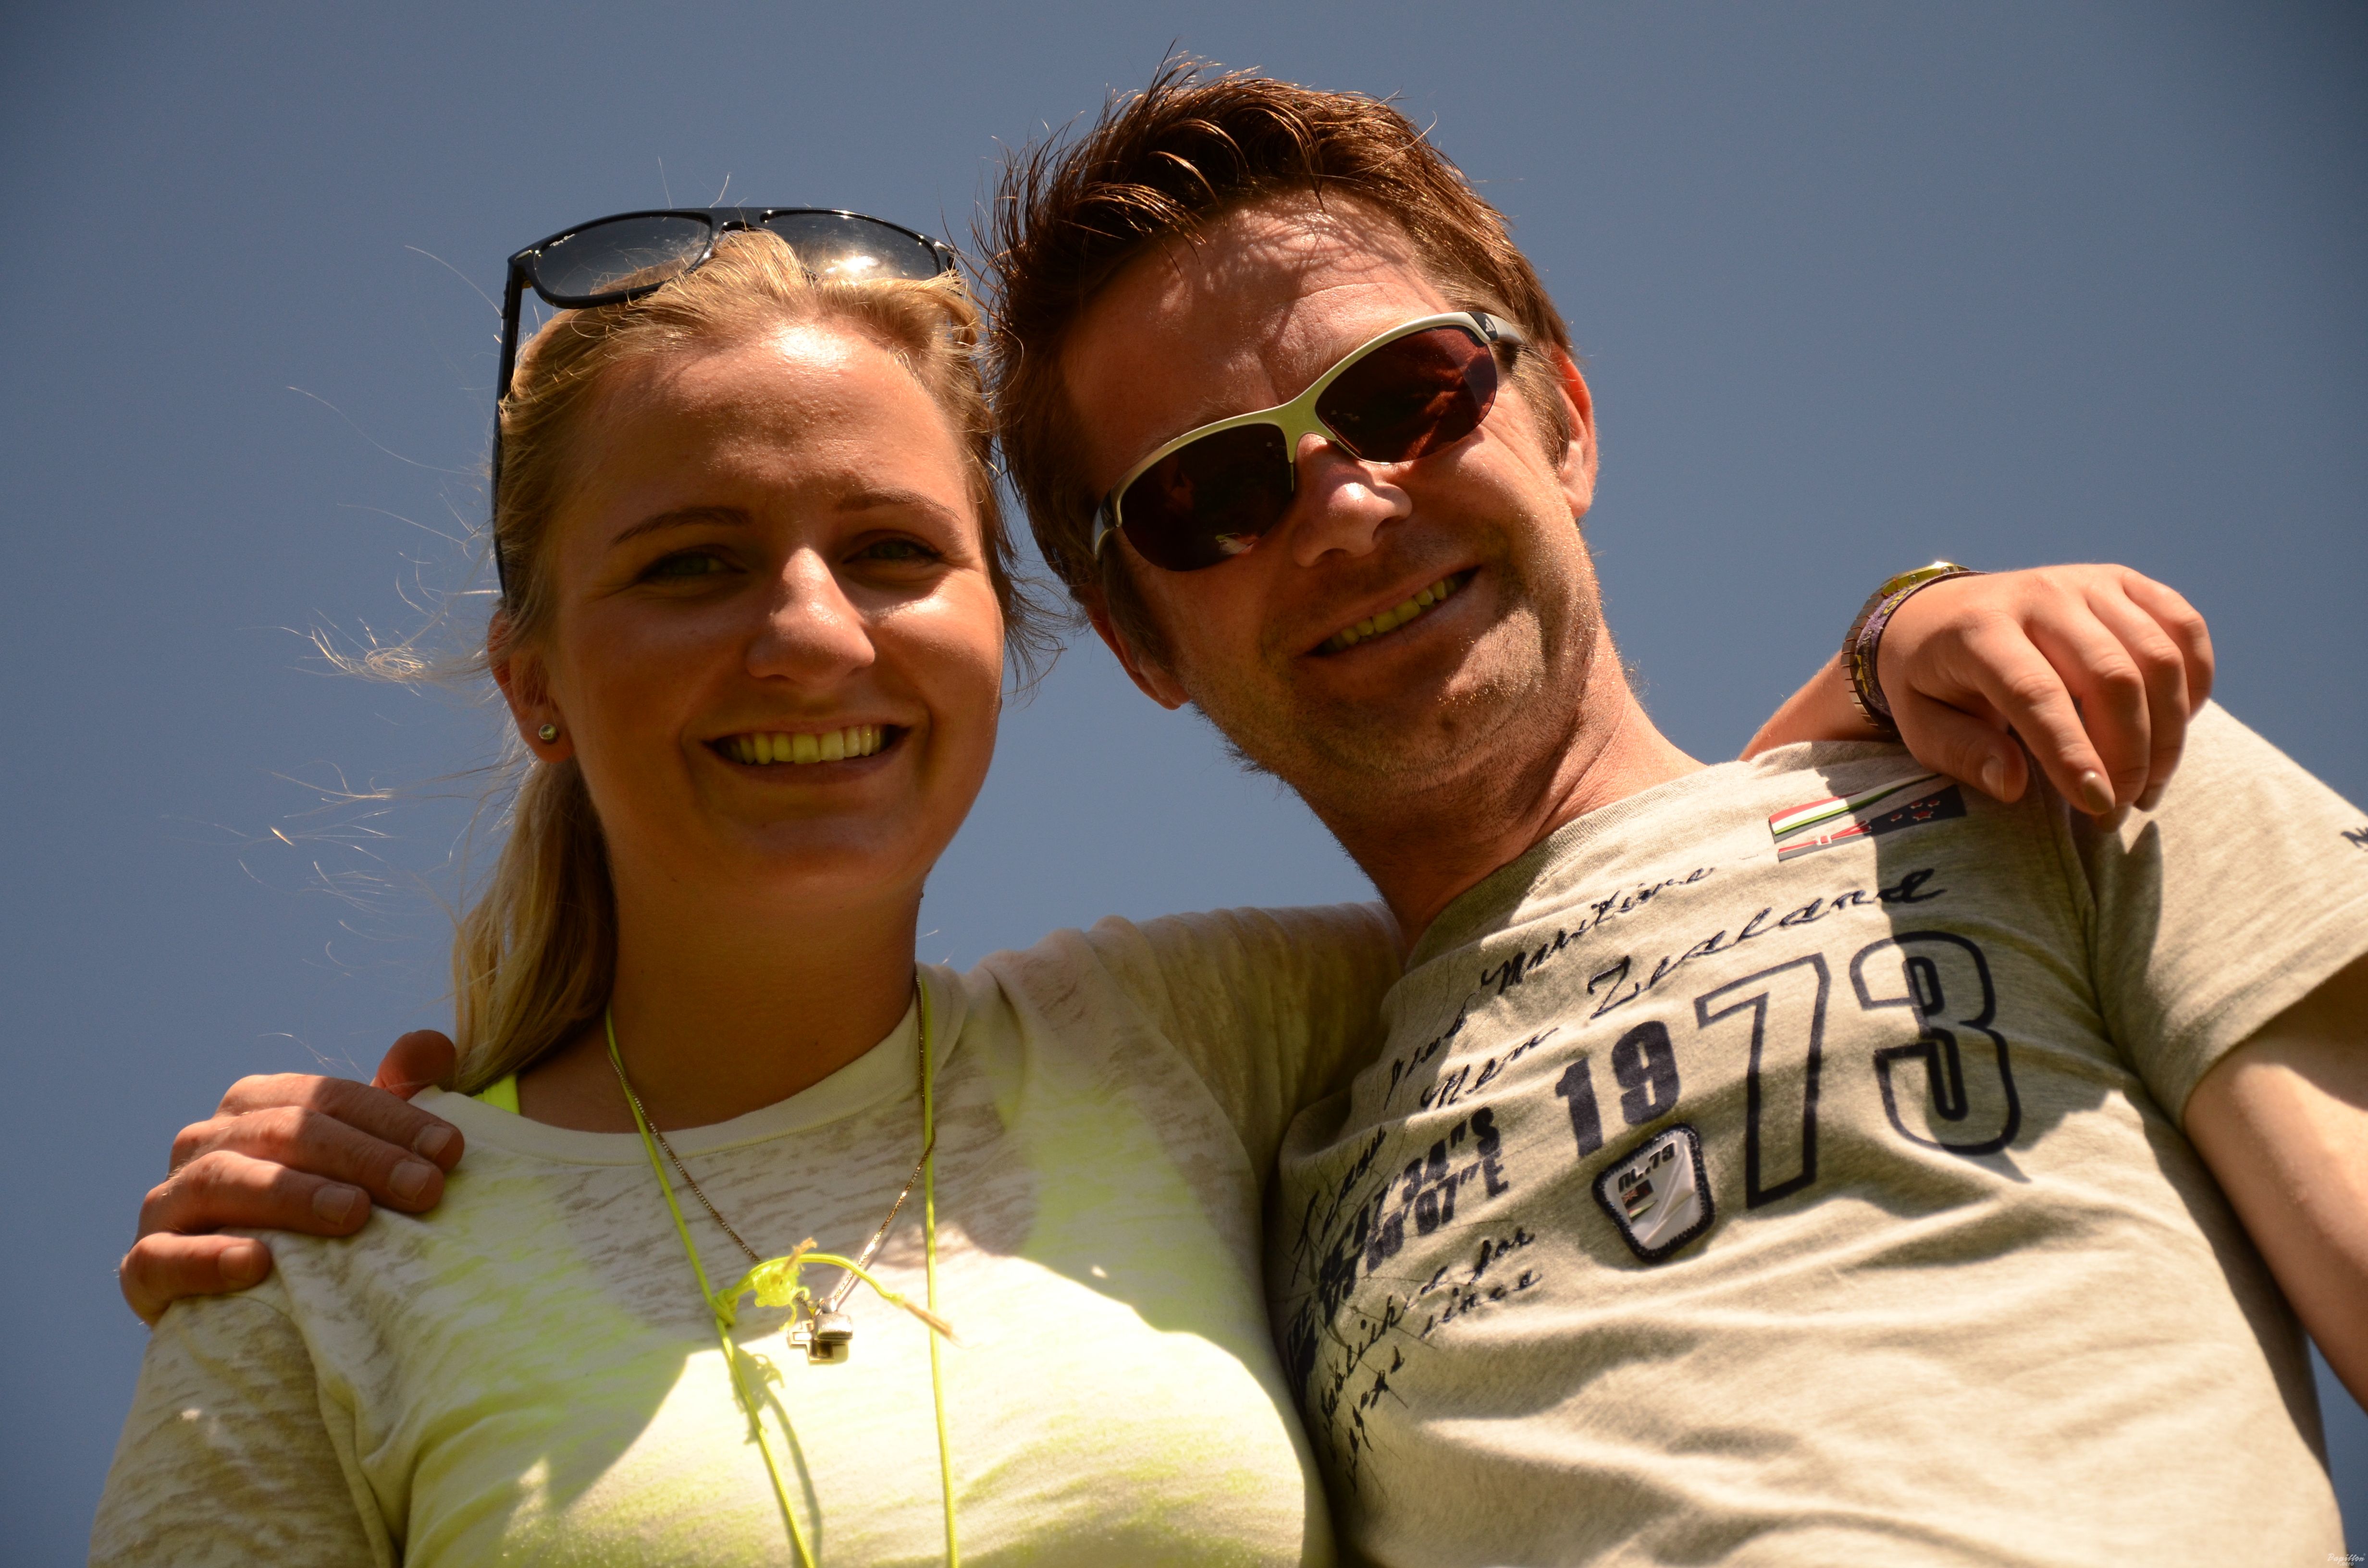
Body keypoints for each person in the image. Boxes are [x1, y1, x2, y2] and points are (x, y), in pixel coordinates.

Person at [112, 80, 2349, 1568]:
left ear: (1561, 412)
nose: (1345, 502)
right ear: (1136, 639)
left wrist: (1906, 623)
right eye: (1206, 496)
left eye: (1405, 394)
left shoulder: (2051, 766)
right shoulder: (1243, 1080)